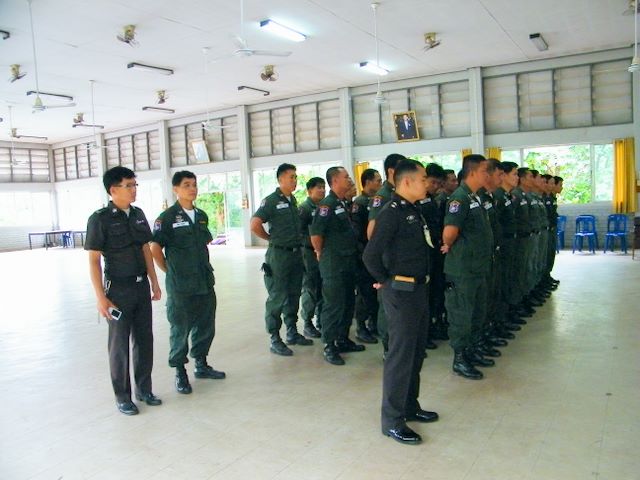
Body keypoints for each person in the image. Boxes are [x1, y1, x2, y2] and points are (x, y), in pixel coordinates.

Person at [363, 159, 439, 445]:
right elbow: (370, 255)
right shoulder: (391, 212)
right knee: (401, 356)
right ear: (407, 182)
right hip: (401, 292)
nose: (427, 183)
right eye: (422, 179)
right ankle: (392, 421)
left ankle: (409, 406)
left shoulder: (413, 210)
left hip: (418, 290)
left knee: (416, 352)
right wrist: (386, 281)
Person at [85, 166, 162, 415]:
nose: (133, 190)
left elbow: (145, 249)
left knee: (144, 340)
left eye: (134, 185)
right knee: (119, 346)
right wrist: (100, 297)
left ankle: (144, 389)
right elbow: (94, 260)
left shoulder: (138, 214)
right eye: (128, 186)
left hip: (141, 287)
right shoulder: (99, 219)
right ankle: (122, 397)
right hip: (118, 290)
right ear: (113, 189)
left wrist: (154, 281)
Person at [150, 171, 225, 395]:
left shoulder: (201, 215)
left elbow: (204, 244)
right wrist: (169, 270)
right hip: (180, 285)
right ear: (176, 189)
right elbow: (155, 248)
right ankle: (180, 372)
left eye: (194, 185)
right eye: (186, 185)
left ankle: (201, 364)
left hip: (204, 281)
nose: (192, 189)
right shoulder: (167, 218)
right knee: (180, 327)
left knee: (205, 324)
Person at [250, 163, 313, 356]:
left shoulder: (292, 200)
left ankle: (292, 332)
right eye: (291, 177)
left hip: (295, 254)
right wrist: (270, 238)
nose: (294, 180)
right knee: (277, 296)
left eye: (295, 177)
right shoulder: (271, 201)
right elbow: (254, 224)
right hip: (279, 256)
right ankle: (275, 338)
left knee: (294, 293)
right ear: (280, 179)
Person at [441, 154, 494, 380]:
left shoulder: (475, 197)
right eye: (484, 171)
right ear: (472, 172)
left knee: (477, 312)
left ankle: (472, 351)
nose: (487, 175)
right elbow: (449, 233)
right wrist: (451, 244)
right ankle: (460, 358)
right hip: (463, 269)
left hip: (477, 267)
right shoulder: (459, 198)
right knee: (462, 314)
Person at [310, 166, 364, 365]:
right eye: (346, 177)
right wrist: (321, 253)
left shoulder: (342, 203)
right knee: (333, 305)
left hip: (348, 262)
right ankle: (329, 345)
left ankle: (342, 339)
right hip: (334, 264)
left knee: (348, 302)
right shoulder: (327, 205)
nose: (349, 180)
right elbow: (316, 235)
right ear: (334, 181)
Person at [367, 153, 406, 355]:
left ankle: (399, 344)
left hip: (401, 259)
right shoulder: (382, 197)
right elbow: (372, 232)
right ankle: (387, 347)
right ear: (391, 171)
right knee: (388, 304)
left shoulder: (401, 193)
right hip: (388, 259)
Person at [351, 168, 381, 344]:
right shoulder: (360, 203)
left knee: (374, 292)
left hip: (376, 253)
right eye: (377, 180)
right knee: (364, 293)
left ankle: (374, 323)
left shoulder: (377, 200)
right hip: (364, 254)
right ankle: (361, 327)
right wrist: (363, 253)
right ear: (368, 182)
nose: (380, 183)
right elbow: (357, 233)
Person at [298, 177, 326, 338]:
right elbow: (299, 232)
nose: (322, 190)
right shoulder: (305, 209)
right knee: (310, 287)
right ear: (309, 191)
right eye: (318, 188)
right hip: (308, 253)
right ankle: (308, 323)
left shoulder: (324, 207)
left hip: (322, 253)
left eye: (323, 187)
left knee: (322, 286)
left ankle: (320, 320)